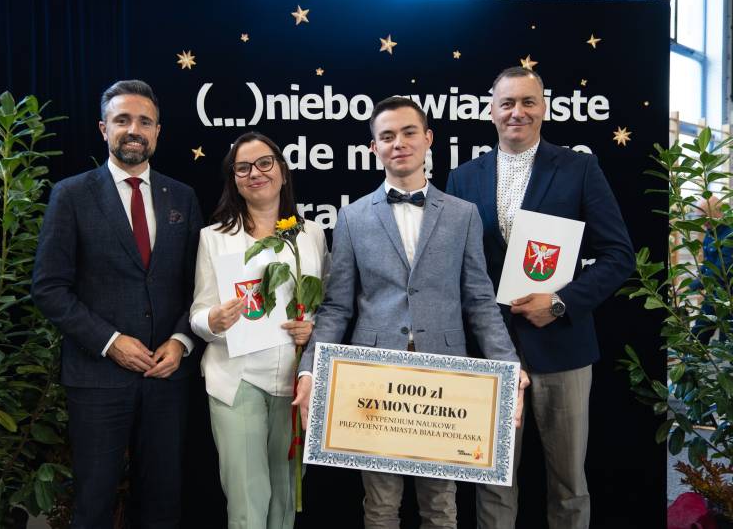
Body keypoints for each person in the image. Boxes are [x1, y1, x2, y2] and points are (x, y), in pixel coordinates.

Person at [294, 96, 528, 529]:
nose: (398, 143)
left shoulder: (463, 215)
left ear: (428, 138)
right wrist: (309, 369)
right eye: (386, 136)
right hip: (374, 377)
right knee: (380, 506)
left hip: (445, 377)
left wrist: (509, 365)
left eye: (408, 133)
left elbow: (479, 300)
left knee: (441, 506)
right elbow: (337, 306)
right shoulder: (352, 217)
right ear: (374, 148)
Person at [446, 66, 635, 529]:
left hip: (563, 347)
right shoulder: (463, 178)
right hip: (491, 352)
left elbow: (619, 256)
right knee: (492, 483)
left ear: (544, 108)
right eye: (507, 103)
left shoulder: (579, 169)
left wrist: (560, 302)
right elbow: (454, 269)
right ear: (491, 111)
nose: (518, 112)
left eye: (528, 102)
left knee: (569, 485)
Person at [32, 79, 203, 528]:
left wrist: (182, 341)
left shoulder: (182, 196)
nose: (134, 130)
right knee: (93, 503)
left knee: (162, 503)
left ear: (158, 132)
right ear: (103, 128)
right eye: (122, 119)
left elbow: (200, 286)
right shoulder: (71, 195)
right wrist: (111, 342)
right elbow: (49, 287)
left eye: (144, 121)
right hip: (97, 378)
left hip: (167, 378)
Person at [189, 132, 328, 529]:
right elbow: (198, 312)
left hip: (295, 383)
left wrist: (313, 329)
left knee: (285, 498)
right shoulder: (214, 238)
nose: (255, 173)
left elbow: (328, 306)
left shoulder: (312, 235)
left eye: (265, 163)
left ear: (282, 171)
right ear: (234, 180)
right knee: (248, 503)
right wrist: (213, 321)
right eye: (243, 168)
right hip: (237, 381)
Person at [690, 196, 733, 343]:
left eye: (704, 217)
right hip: (713, 294)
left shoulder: (730, 235)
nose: (702, 222)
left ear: (718, 212)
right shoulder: (709, 234)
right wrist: (690, 283)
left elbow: (720, 270)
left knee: (726, 342)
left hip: (729, 296)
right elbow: (708, 265)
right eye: (699, 218)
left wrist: (692, 286)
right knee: (697, 336)